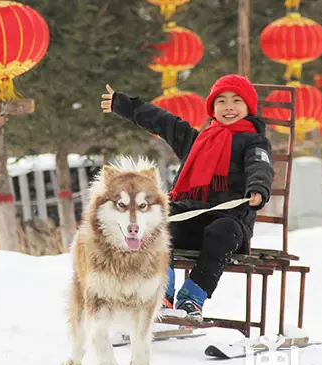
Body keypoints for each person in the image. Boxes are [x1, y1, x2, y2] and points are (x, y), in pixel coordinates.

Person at [100, 74, 274, 322]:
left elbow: (261, 165)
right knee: (161, 220)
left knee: (221, 229)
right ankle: (161, 293)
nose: (228, 107)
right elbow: (164, 122)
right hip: (191, 217)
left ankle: (193, 297)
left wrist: (258, 188)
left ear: (248, 108)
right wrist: (125, 105)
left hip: (229, 223)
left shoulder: (254, 141)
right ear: (212, 108)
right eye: (221, 101)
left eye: (237, 101)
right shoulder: (198, 141)